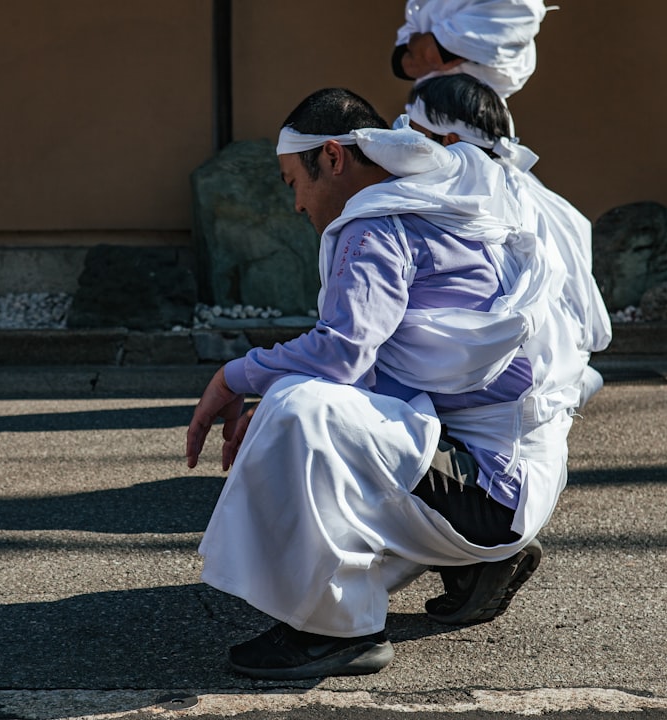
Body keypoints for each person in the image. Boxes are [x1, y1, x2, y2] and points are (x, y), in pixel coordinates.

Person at [186, 87, 581, 681]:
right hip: (511, 482)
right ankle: (474, 567)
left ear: (334, 158)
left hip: (492, 490)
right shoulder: (451, 203)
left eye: (293, 181)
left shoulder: (376, 225)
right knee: (301, 405)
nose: (295, 205)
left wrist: (234, 375)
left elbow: (341, 354)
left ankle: (335, 630)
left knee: (301, 409)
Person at [404, 72, 612, 405]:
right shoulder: (534, 191)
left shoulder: (474, 204)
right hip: (563, 360)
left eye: (414, 133)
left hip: (517, 373)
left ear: (449, 141)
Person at [393, 0, 548, 100]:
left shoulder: (521, 5)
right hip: (423, 109)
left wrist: (421, 50)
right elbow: (401, 63)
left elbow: (430, 54)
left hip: (468, 121)